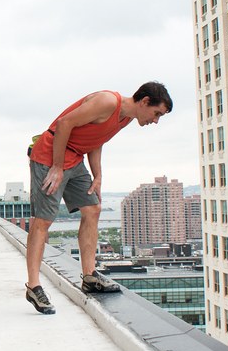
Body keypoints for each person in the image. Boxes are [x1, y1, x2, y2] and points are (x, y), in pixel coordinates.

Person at [24, 82, 172, 314]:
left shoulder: (126, 118)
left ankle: (90, 276)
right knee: (43, 221)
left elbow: (96, 140)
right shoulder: (108, 102)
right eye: (156, 114)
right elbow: (64, 124)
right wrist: (57, 166)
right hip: (50, 157)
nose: (155, 121)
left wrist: (98, 175)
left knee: (93, 208)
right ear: (144, 102)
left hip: (75, 159)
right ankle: (33, 287)